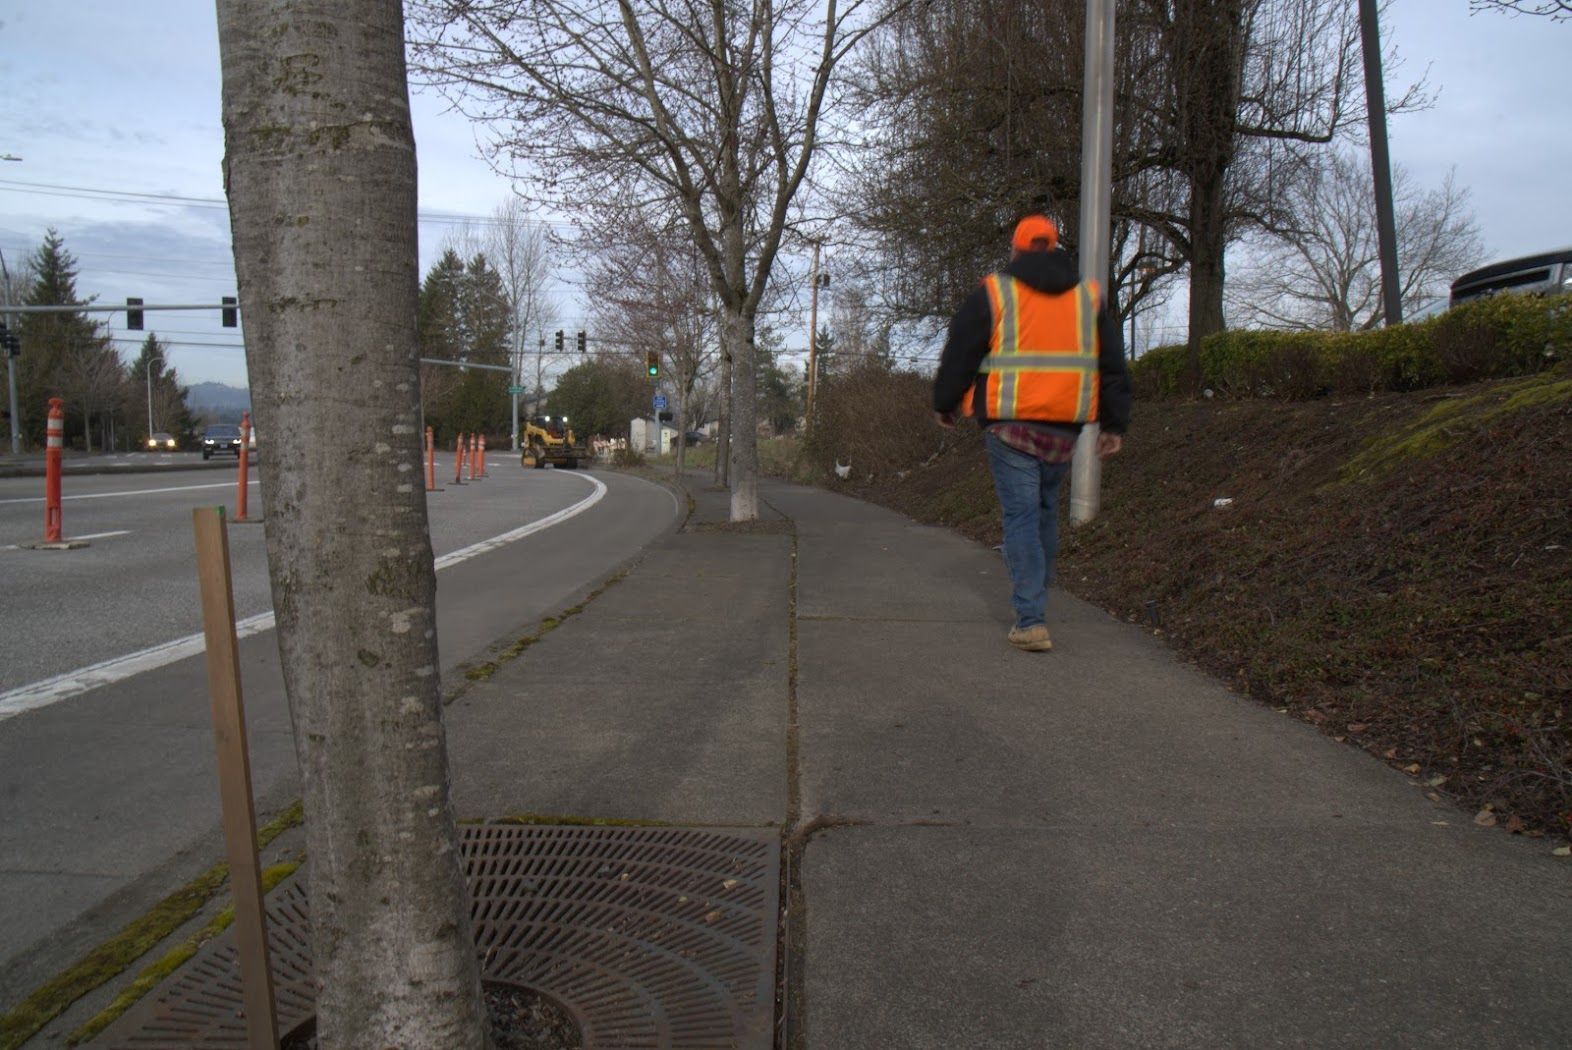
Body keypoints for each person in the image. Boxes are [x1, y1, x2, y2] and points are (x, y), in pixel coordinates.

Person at [932, 214, 1132, 652]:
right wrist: (1114, 424)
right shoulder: (1088, 296)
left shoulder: (998, 291)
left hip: (1010, 425)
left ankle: (1030, 619)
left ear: (1016, 248)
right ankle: (1036, 601)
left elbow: (962, 347)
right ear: (1055, 246)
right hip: (1064, 427)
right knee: (1043, 513)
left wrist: (945, 402)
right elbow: (1112, 362)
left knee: (1022, 517)